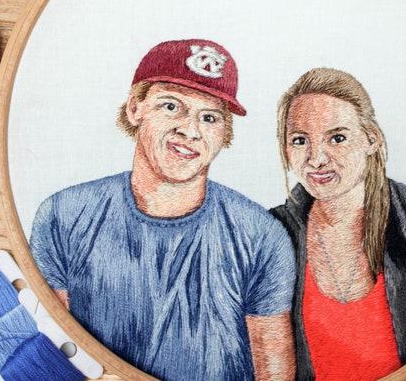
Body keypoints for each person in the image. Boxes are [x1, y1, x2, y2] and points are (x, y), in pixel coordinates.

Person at [30, 39, 297, 381]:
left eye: (209, 117)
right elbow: (45, 355)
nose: (190, 130)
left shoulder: (262, 236)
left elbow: (274, 372)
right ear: (135, 108)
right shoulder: (62, 216)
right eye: (171, 106)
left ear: (224, 133)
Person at [270, 68, 406, 381]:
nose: (316, 159)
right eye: (300, 140)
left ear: (371, 139)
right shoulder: (269, 233)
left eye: (337, 138)